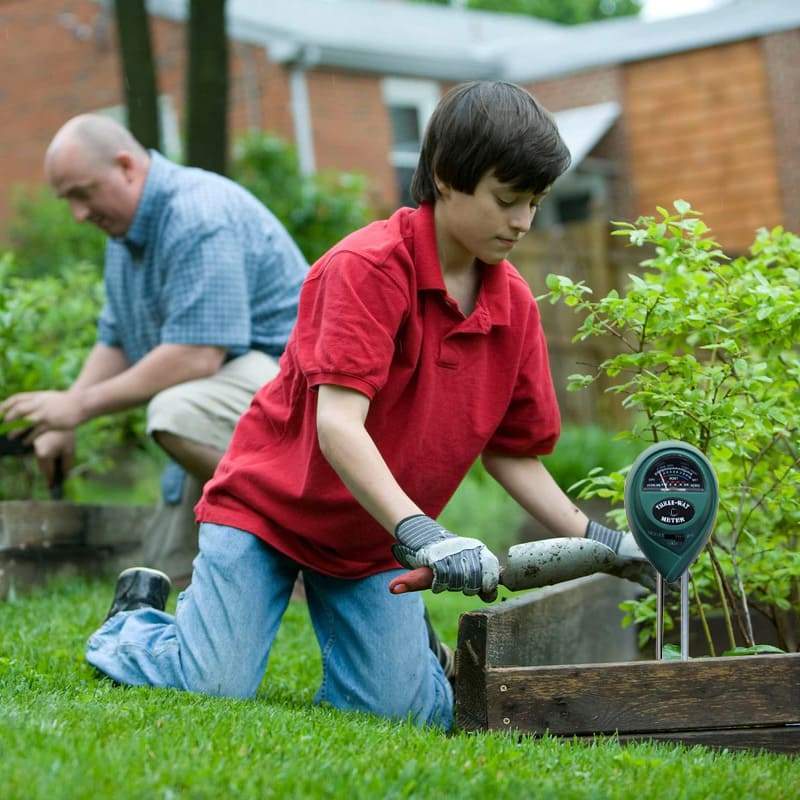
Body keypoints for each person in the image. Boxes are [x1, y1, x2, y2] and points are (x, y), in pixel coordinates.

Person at [82, 82, 646, 730]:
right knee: (211, 683)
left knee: (403, 714)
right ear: (444, 177)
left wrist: (606, 544)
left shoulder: (512, 306)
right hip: (268, 512)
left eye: (534, 203)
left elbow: (512, 454)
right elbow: (338, 425)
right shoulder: (367, 268)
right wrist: (426, 535)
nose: (523, 221)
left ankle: (408, 658)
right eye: (507, 200)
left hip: (373, 539)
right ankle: (136, 623)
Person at [0, 115, 308, 579]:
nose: (78, 215)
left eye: (83, 194)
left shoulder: (197, 214)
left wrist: (79, 406)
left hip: (299, 400)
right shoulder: (125, 237)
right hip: (231, 404)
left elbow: (197, 355)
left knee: (176, 411)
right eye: (68, 201)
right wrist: (63, 416)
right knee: (167, 571)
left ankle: (305, 541)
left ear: (126, 166)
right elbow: (116, 338)